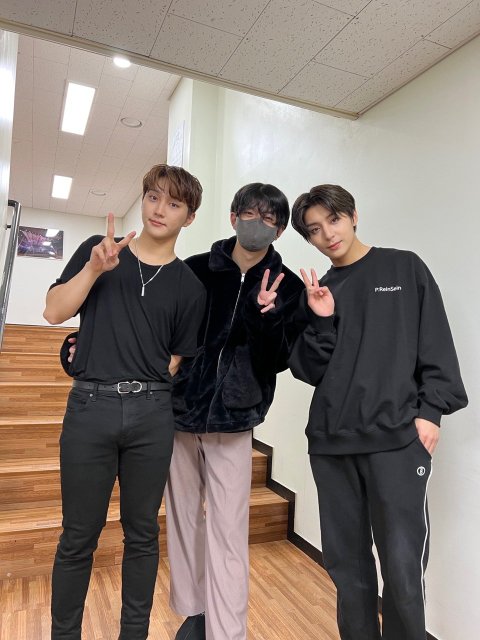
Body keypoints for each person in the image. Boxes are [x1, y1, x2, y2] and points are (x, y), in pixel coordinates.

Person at [60, 182, 304, 640]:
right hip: (177, 412)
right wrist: (81, 348)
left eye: (270, 219)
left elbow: (280, 360)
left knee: (228, 530)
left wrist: (267, 318)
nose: (258, 224)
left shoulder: (287, 285)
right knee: (183, 521)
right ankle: (194, 614)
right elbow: (151, 334)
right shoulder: (195, 270)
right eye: (250, 214)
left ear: (280, 230)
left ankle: (227, 631)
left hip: (234, 418)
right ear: (233, 217)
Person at [288, 184, 468, 640]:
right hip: (332, 445)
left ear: (352, 216)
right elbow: (308, 370)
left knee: (403, 570)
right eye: (314, 230)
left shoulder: (404, 267)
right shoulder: (319, 291)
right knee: (347, 571)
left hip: (397, 442)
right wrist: (321, 320)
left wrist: (430, 412)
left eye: (333, 220)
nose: (327, 234)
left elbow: (435, 344)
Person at [44, 164, 206, 640]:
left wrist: (142, 383)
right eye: (154, 197)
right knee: (78, 536)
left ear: (189, 217)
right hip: (89, 409)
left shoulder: (189, 287)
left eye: (174, 203)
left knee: (142, 534)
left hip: (151, 416)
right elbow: (54, 311)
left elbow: (176, 358)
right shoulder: (99, 251)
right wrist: (94, 269)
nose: (160, 209)